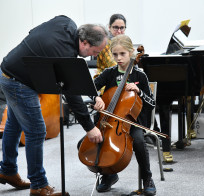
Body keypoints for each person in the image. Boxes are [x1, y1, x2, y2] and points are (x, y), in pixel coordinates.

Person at [0, 15, 107, 196]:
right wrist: (89, 127)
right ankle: (39, 185)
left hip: (7, 71)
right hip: (18, 82)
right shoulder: (64, 52)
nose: (95, 57)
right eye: (96, 52)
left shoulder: (66, 22)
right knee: (36, 131)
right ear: (85, 43)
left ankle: (7, 170)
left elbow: (33, 33)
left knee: (14, 123)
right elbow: (71, 94)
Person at [92, 34, 156, 195]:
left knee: (140, 142)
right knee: (91, 142)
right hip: (109, 120)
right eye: (115, 54)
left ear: (131, 52)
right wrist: (96, 97)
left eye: (122, 54)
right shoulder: (109, 73)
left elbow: (151, 104)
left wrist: (139, 91)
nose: (118, 58)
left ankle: (147, 177)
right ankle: (108, 174)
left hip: (132, 121)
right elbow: (91, 87)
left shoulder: (139, 75)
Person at [94, 13, 127, 79]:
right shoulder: (104, 44)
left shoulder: (126, 44)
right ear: (109, 27)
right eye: (116, 27)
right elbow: (113, 65)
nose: (119, 31)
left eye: (122, 28)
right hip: (104, 82)